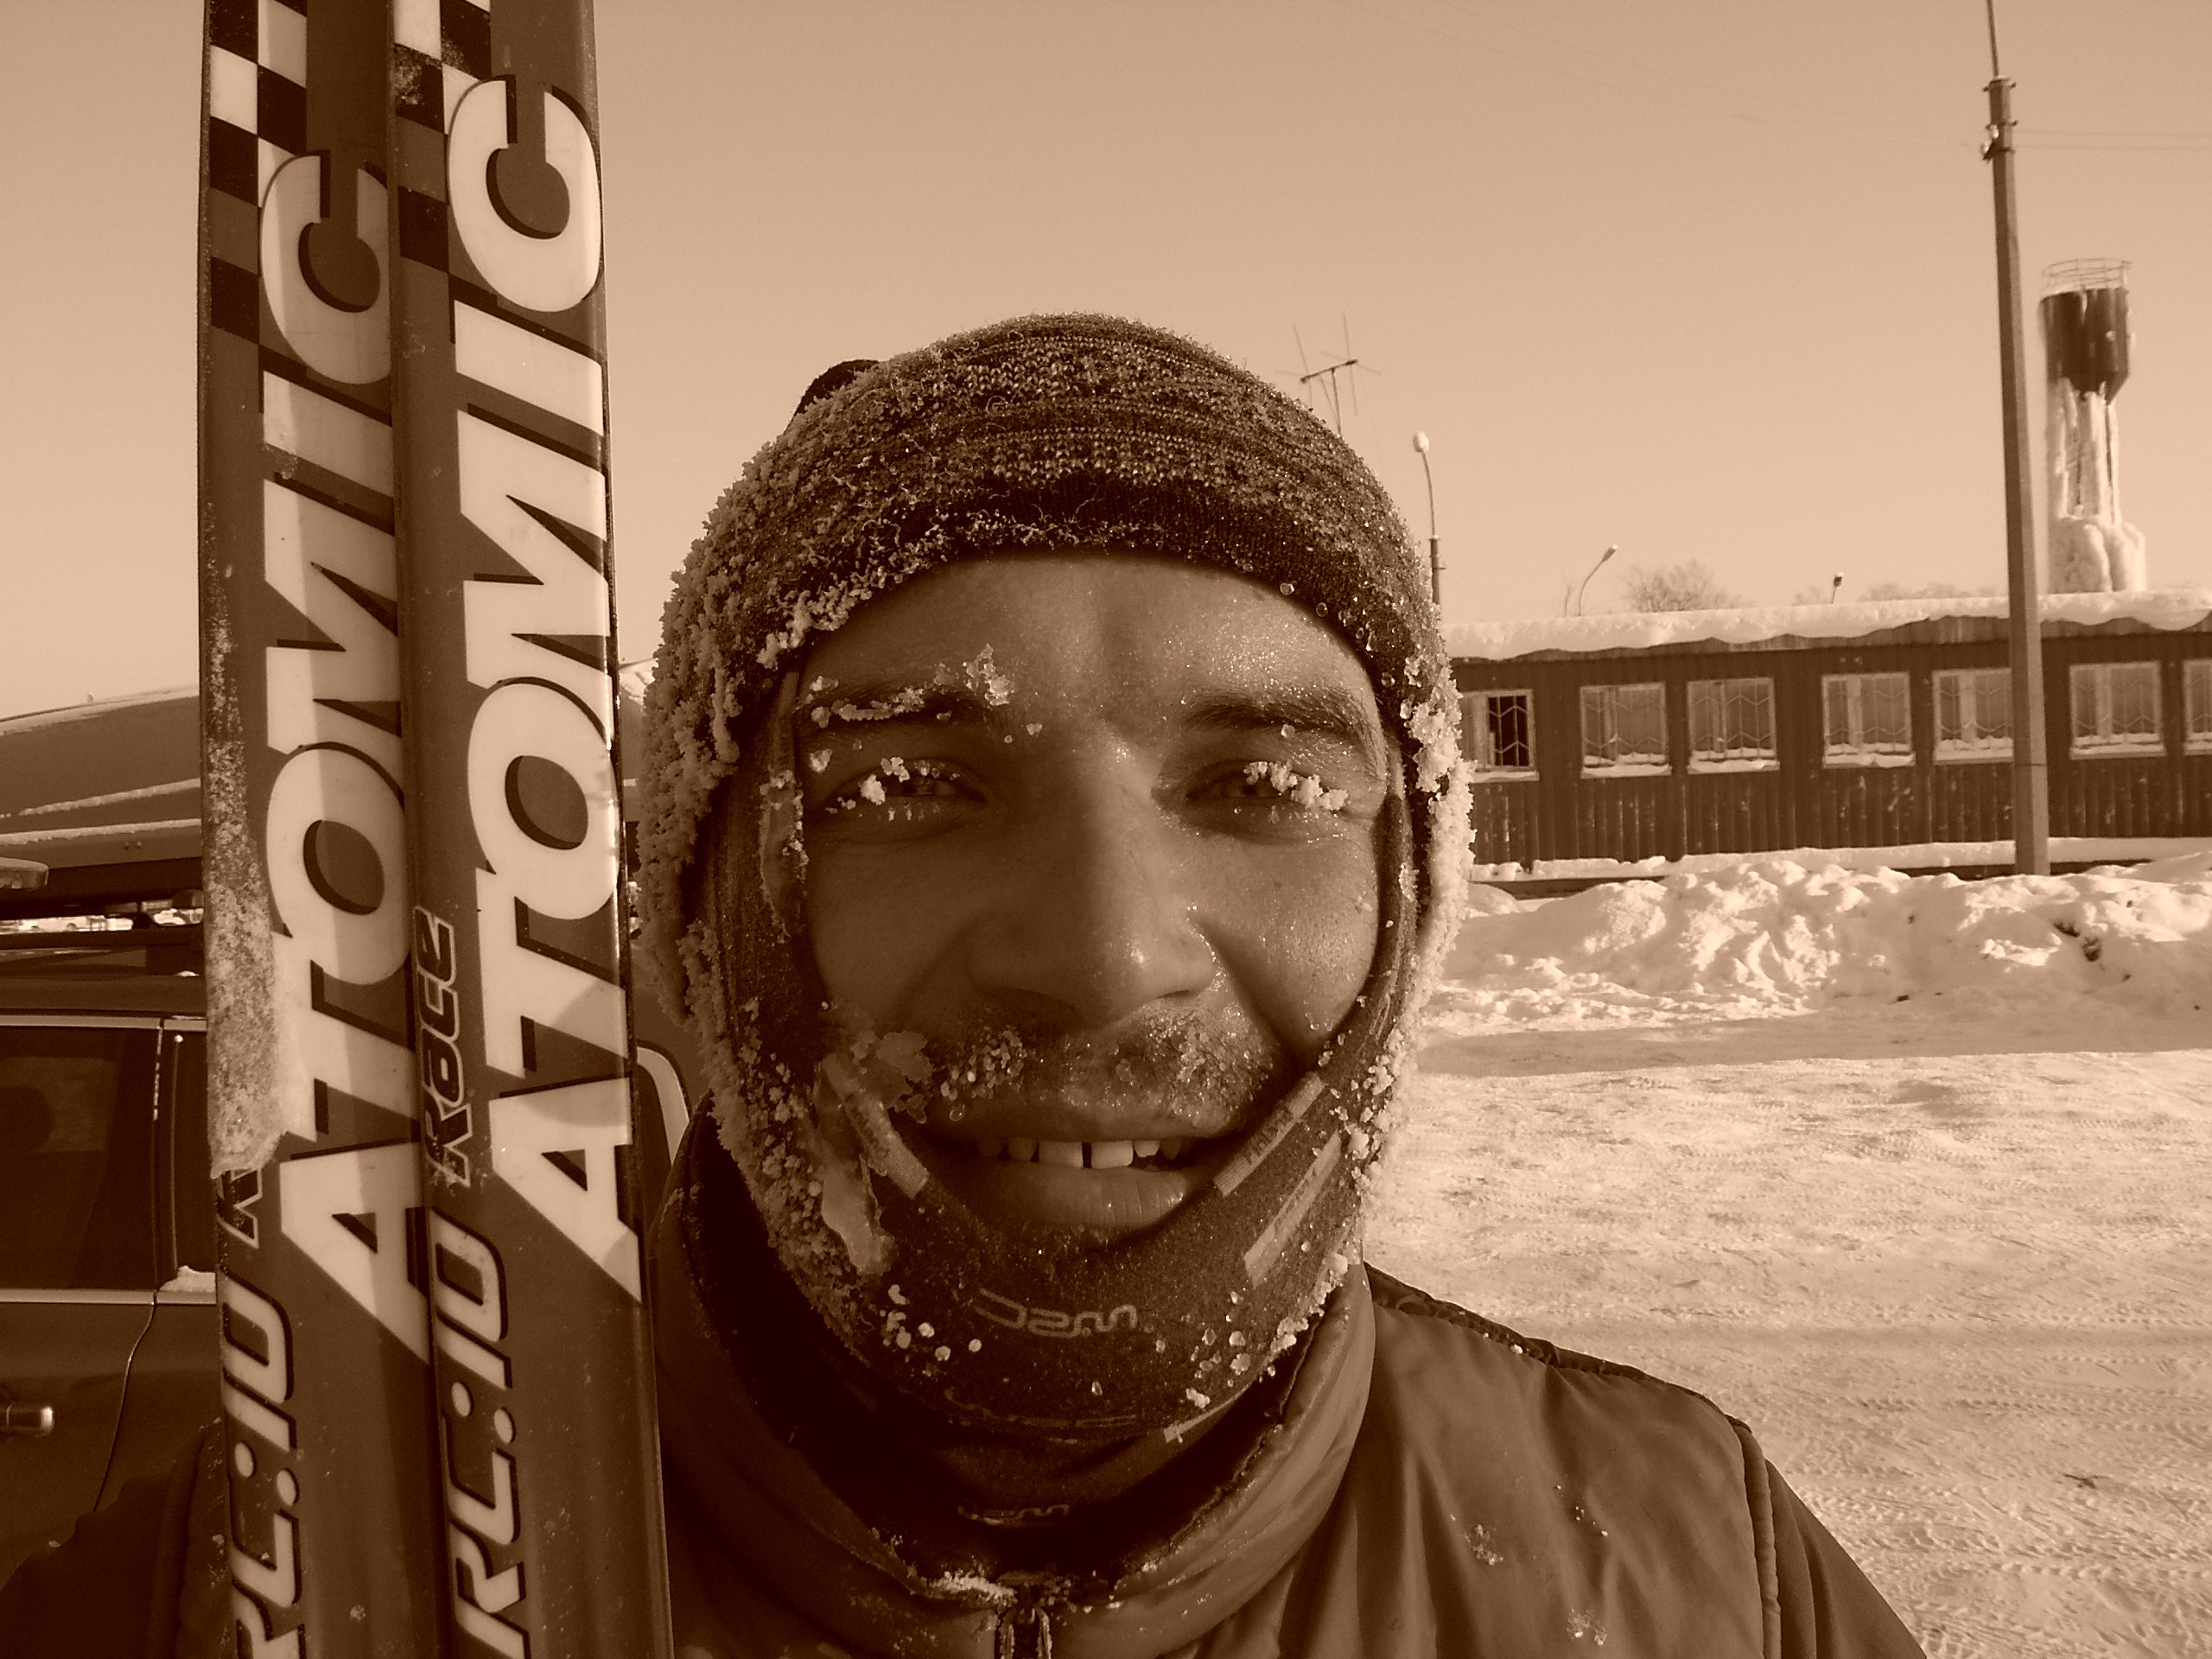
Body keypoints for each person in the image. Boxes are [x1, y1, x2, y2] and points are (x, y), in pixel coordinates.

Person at [1, 315, 1926, 1656]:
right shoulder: (241, 1595)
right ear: (688, 919)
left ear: (1409, 900)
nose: (1099, 951)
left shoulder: (1701, 1586)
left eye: (1261, 789)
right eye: (909, 786)